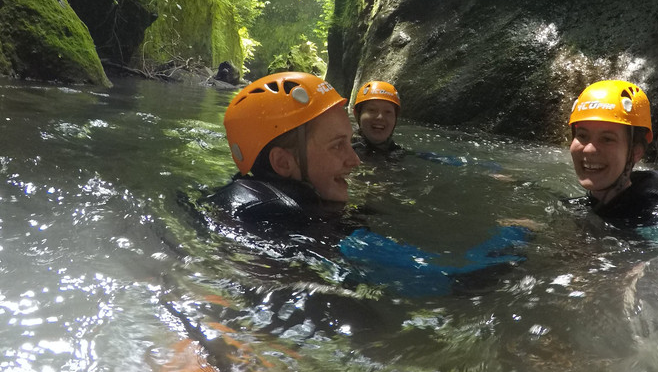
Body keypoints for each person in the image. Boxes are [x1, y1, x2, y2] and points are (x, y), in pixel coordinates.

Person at [203, 71, 529, 296]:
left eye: (349, 142)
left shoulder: (242, 201)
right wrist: (517, 235)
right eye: (336, 145)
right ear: (282, 163)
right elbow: (455, 279)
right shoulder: (295, 223)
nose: (354, 160)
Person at [565, 79, 658, 228]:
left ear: (636, 152)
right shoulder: (580, 206)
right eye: (582, 136)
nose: (589, 149)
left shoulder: (656, 221)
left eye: (607, 139)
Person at [350, 79, 405, 160]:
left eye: (388, 112)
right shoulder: (344, 146)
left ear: (395, 118)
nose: (380, 117)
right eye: (372, 110)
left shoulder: (396, 151)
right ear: (357, 114)